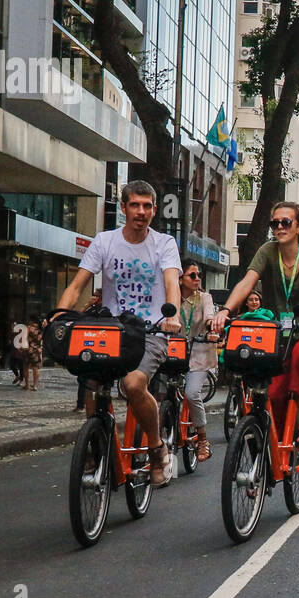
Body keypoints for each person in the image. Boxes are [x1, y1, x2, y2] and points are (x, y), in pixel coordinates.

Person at [56, 180, 182, 487]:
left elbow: (171, 284)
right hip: (112, 329)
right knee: (91, 379)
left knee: (132, 383)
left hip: (151, 330)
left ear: (154, 209)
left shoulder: (164, 243)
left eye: (147, 206)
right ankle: (94, 446)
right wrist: (58, 317)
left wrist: (173, 315)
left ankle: (155, 448)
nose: (141, 212)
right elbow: (77, 284)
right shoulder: (104, 241)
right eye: (135, 205)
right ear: (123, 208)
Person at [211, 201, 299, 453]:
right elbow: (247, 282)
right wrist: (225, 310)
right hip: (277, 334)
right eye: (274, 223)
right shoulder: (267, 251)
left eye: (285, 222)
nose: (279, 227)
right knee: (274, 391)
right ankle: (267, 452)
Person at [179, 259, 217, 462]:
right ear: (179, 279)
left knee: (192, 393)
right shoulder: (171, 297)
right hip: (172, 353)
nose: (197, 279)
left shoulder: (205, 298)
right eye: (192, 275)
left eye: (198, 275)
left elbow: (210, 316)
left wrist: (212, 325)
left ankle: (203, 439)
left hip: (199, 352)